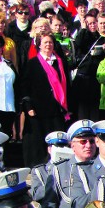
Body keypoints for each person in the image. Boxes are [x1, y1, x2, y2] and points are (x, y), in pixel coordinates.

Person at [21, 33, 71, 167]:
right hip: (38, 108)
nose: (48, 45)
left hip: (57, 108)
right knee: (38, 140)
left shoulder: (60, 62)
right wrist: (28, 106)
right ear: (39, 45)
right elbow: (26, 86)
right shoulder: (32, 63)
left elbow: (67, 84)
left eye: (50, 42)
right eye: (45, 42)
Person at [31, 131, 70, 202]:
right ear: (49, 149)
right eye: (57, 146)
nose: (61, 149)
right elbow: (36, 195)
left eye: (64, 146)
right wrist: (56, 180)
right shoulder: (40, 170)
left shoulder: (73, 168)